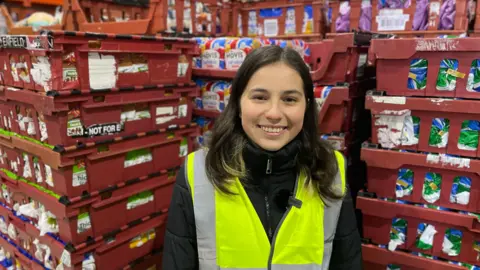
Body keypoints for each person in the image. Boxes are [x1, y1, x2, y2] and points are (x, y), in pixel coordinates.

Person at [163, 45, 362, 269]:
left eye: (289, 99)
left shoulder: (331, 171)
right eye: (260, 97)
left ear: (306, 106)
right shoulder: (198, 172)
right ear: (238, 102)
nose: (274, 113)